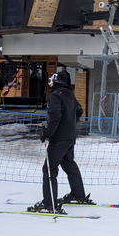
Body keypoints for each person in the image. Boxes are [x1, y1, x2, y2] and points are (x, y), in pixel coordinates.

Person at [28, 72, 93, 213]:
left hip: (59, 138)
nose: (50, 83)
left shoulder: (56, 95)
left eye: (51, 80)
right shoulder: (70, 94)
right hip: (70, 137)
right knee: (69, 165)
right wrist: (70, 124)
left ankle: (49, 203)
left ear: (56, 82)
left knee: (49, 169)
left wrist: (47, 133)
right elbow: (79, 111)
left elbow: (55, 116)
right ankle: (78, 194)